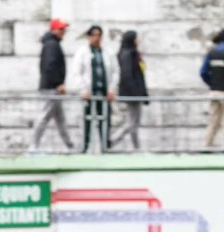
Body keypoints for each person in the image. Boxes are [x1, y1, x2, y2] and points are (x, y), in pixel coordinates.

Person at [71, 25, 116, 153]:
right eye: (94, 35)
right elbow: (77, 72)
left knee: (105, 120)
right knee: (87, 120)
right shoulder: (82, 52)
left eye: (99, 35)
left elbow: (115, 71)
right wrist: (82, 89)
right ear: (89, 37)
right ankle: (85, 147)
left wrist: (112, 88)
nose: (97, 38)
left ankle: (105, 147)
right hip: (89, 93)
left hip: (104, 92)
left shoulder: (108, 52)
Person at [32, 17, 72, 150]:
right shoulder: (52, 45)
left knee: (60, 119)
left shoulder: (51, 44)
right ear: (54, 29)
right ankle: (33, 146)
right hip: (51, 87)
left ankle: (70, 145)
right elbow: (50, 66)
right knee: (44, 117)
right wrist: (58, 83)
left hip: (51, 86)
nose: (63, 31)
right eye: (61, 29)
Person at [110, 29, 147, 150]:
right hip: (133, 93)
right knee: (132, 122)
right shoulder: (128, 54)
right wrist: (136, 93)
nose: (138, 40)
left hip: (134, 92)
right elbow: (128, 75)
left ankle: (136, 148)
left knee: (133, 122)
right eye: (136, 38)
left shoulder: (131, 53)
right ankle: (112, 140)